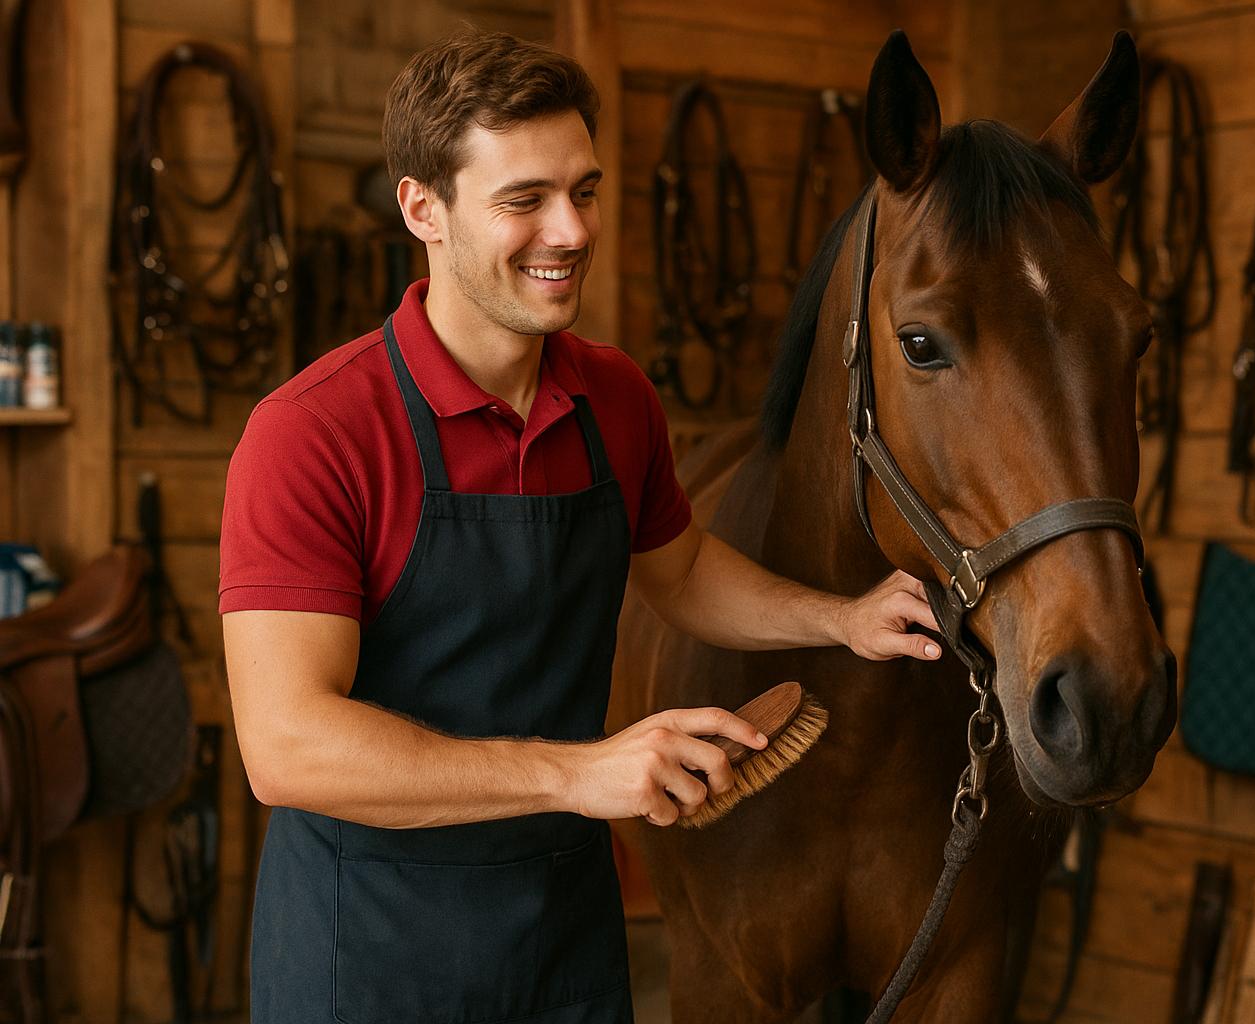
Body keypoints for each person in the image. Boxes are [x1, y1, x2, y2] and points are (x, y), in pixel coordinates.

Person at [219, 31, 943, 1024]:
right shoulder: (312, 433)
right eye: (524, 200)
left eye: (585, 190)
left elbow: (679, 570)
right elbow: (287, 746)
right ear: (421, 208)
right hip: (369, 954)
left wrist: (840, 619)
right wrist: (582, 771)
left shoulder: (617, 398)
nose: (569, 230)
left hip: (565, 941)